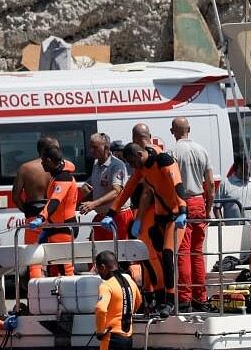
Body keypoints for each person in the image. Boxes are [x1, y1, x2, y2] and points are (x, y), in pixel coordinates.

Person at [103, 141, 187, 317]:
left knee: (168, 254)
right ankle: (159, 297)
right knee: (151, 257)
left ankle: (171, 301)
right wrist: (111, 212)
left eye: (132, 162)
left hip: (175, 216)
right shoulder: (141, 168)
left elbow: (177, 184)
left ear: (139, 155)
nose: (132, 167)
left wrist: (183, 209)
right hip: (160, 217)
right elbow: (127, 190)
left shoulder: (163, 160)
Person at [170, 117, 215, 312]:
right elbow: (211, 185)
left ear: (173, 131)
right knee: (198, 253)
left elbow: (170, 183)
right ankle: (200, 297)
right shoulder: (202, 150)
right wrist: (209, 208)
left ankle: (185, 299)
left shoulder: (173, 152)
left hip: (183, 204)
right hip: (200, 202)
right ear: (189, 129)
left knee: (183, 253)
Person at [27, 145, 79, 277]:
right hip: (55, 226)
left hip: (63, 227)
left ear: (49, 160)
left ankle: (71, 295)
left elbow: (55, 200)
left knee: (65, 268)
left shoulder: (63, 178)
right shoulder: (57, 175)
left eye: (43, 161)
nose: (42, 164)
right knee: (55, 268)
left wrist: (41, 217)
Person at [12, 136, 58, 280]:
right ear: (46, 150)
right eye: (55, 148)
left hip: (34, 217)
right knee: (58, 257)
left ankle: (36, 294)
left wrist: (27, 212)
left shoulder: (26, 168)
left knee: (34, 260)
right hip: (55, 217)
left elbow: (15, 195)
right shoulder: (59, 168)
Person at [80, 133, 134, 242]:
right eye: (91, 147)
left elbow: (117, 191)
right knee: (97, 252)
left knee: (119, 254)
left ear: (106, 147)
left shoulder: (116, 165)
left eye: (95, 147)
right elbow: (100, 188)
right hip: (102, 216)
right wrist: (85, 199)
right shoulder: (96, 164)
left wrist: (94, 203)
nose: (91, 151)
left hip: (118, 216)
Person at [217, 152, 251, 225]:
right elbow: (216, 208)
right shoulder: (225, 183)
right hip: (234, 230)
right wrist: (223, 226)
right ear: (239, 167)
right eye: (248, 167)